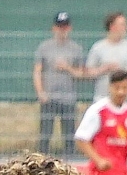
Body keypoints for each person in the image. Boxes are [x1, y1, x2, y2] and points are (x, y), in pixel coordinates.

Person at [33, 12, 87, 156]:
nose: (62, 30)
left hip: (68, 98)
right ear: (54, 28)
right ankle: (41, 161)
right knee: (45, 134)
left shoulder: (76, 48)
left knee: (69, 135)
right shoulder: (44, 47)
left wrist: (67, 67)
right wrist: (40, 92)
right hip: (49, 97)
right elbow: (37, 71)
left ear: (69, 28)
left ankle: (69, 161)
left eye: (65, 27)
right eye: (59, 26)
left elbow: (81, 73)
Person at [85, 11, 127, 105]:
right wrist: (105, 68)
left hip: (124, 100)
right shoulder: (98, 47)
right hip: (102, 99)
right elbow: (89, 72)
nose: (125, 28)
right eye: (122, 25)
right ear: (112, 26)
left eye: (125, 25)